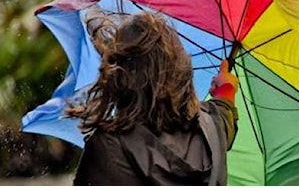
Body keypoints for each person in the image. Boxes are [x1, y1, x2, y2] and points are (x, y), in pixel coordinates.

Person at [65, 10, 239, 186]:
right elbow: (224, 110)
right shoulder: (213, 126)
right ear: (181, 70)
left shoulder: (108, 146)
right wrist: (226, 89)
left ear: (119, 77)